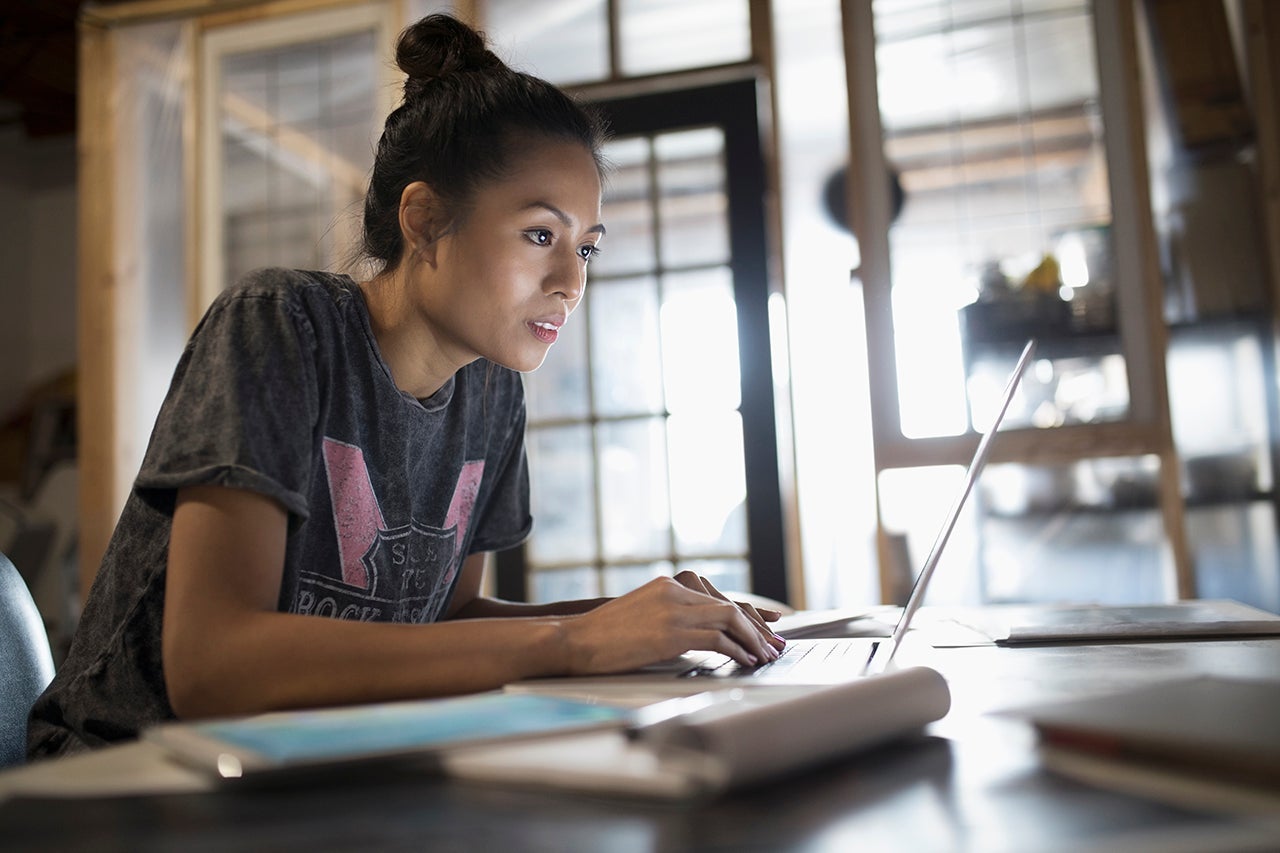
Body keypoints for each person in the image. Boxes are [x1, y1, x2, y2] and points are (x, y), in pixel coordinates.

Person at [27, 13, 783, 760]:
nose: (571, 282)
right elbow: (213, 667)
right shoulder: (281, 327)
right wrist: (574, 639)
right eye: (540, 235)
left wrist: (640, 618)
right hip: (123, 769)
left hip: (310, 765)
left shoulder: (492, 395)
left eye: (585, 247)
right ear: (423, 220)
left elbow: (444, 622)